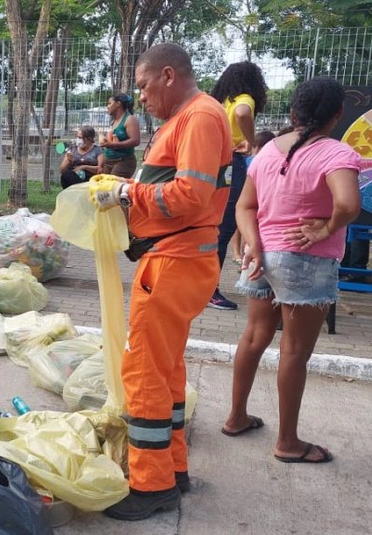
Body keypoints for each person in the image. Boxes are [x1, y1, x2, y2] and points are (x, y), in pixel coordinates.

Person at [90, 43, 231, 521]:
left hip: (175, 260)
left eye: (145, 86)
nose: (141, 97)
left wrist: (128, 192)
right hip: (178, 259)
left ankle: (151, 485)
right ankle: (173, 468)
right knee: (166, 368)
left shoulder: (199, 117)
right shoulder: (192, 117)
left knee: (146, 371)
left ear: (168, 76)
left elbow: (192, 194)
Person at [223, 77, 361, 464]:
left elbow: (244, 207)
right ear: (336, 115)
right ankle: (288, 442)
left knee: (253, 338)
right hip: (306, 260)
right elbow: (348, 204)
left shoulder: (266, 153)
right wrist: (326, 228)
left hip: (263, 259)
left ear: (293, 112)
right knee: (295, 352)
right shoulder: (335, 153)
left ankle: (236, 417)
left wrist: (254, 243)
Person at [207, 61, 268, 310]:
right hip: (233, 164)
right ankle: (210, 291)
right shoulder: (244, 99)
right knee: (225, 227)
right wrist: (252, 142)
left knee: (212, 226)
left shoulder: (221, 101)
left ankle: (202, 286)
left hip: (215, 162)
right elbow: (243, 113)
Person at [229, 130, 277, 263]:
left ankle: (241, 254)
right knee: (245, 224)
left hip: (249, 200)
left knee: (243, 225)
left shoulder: (251, 160)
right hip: (250, 198)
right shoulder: (253, 161)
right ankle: (239, 253)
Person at [100, 93, 141, 178]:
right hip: (109, 161)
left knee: (112, 186)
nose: (107, 106)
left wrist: (115, 145)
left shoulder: (129, 119)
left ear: (118, 104)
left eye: (109, 103)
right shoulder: (114, 121)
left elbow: (136, 140)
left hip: (123, 161)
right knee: (104, 187)